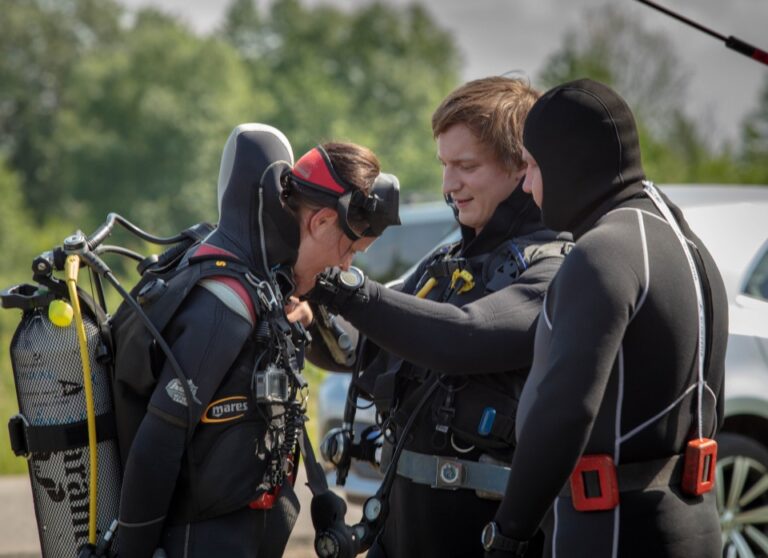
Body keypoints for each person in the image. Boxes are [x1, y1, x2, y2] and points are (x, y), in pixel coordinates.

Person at [307, 76, 571, 558]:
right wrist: (302, 312)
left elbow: (465, 336)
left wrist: (339, 287)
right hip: (398, 534)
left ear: (520, 166)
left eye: (467, 166)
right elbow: (356, 350)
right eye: (445, 165)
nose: (449, 185)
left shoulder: (556, 267)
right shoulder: (446, 263)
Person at [116, 123, 399, 558]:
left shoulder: (270, 290)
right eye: (350, 250)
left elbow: (348, 354)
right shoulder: (227, 304)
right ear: (322, 221)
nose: (345, 266)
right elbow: (157, 446)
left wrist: (309, 315)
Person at [482, 79, 728, 557]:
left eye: (533, 166)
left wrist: (510, 531)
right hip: (693, 522)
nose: (527, 185)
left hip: (611, 530)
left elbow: (565, 410)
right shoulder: (686, 242)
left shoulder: (604, 253)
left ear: (568, 162)